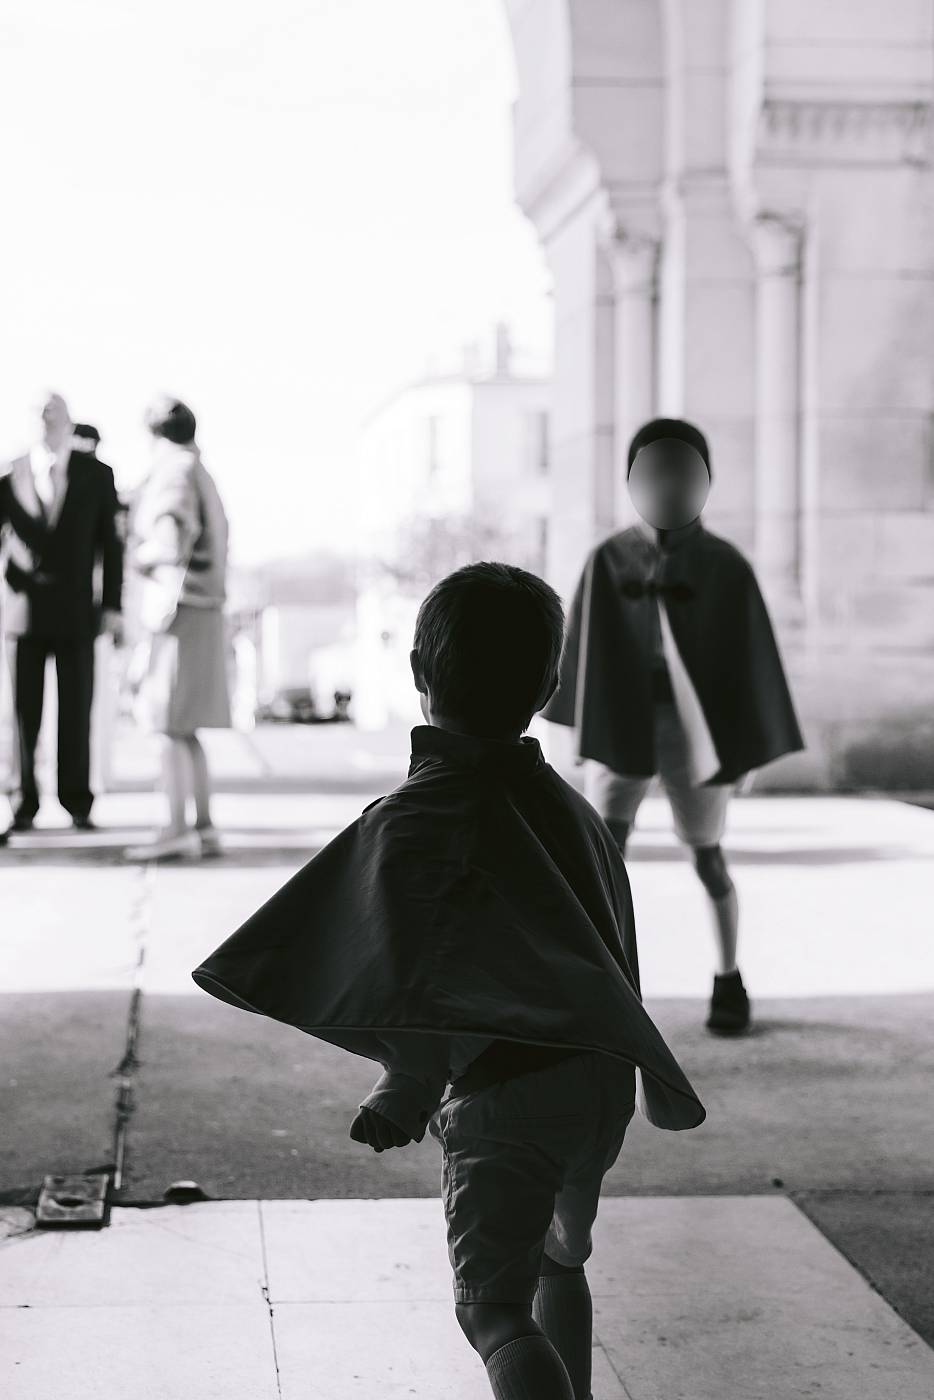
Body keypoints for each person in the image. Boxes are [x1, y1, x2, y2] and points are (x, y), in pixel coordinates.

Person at [192, 561, 706, 1400]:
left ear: (419, 675)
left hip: (507, 1098)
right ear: (548, 684)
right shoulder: (570, 811)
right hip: (597, 1080)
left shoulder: (418, 817)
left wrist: (406, 1082)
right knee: (558, 1262)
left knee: (494, 1313)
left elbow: (412, 968)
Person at [541, 417, 806, 1035]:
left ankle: (728, 977)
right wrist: (575, 732)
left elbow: (750, 663)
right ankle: (598, 984)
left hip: (697, 731)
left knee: (708, 855)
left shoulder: (724, 565)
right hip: (623, 723)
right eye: (653, 472)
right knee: (602, 856)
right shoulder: (608, 559)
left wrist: (741, 750)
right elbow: (581, 650)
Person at [0, 391, 123, 832]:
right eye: (39, 413)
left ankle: (77, 801)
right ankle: (22, 801)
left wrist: (112, 605)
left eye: (54, 413)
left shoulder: (97, 474)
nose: (46, 420)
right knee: (22, 715)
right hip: (22, 615)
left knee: (76, 711)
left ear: (69, 421)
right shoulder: (8, 472)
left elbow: (112, 544)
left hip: (76, 613)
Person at [124, 396, 230, 862]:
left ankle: (174, 828)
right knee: (188, 730)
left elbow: (168, 541)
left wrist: (139, 555)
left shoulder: (174, 473)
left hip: (178, 608)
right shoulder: (201, 470)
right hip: (205, 607)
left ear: (155, 437)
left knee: (164, 725)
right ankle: (203, 828)